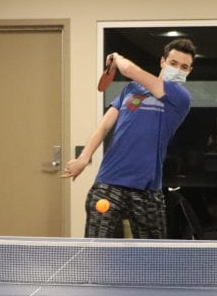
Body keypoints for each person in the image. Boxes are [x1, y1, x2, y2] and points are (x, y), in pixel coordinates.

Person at [62, 39, 195, 238]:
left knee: (152, 253)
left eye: (184, 67)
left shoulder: (180, 96)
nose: (177, 70)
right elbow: (104, 126)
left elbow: (129, 70)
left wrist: (116, 57)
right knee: (95, 248)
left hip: (147, 189)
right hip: (108, 183)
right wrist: (83, 158)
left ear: (189, 71)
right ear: (162, 62)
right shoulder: (132, 89)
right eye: (173, 63)